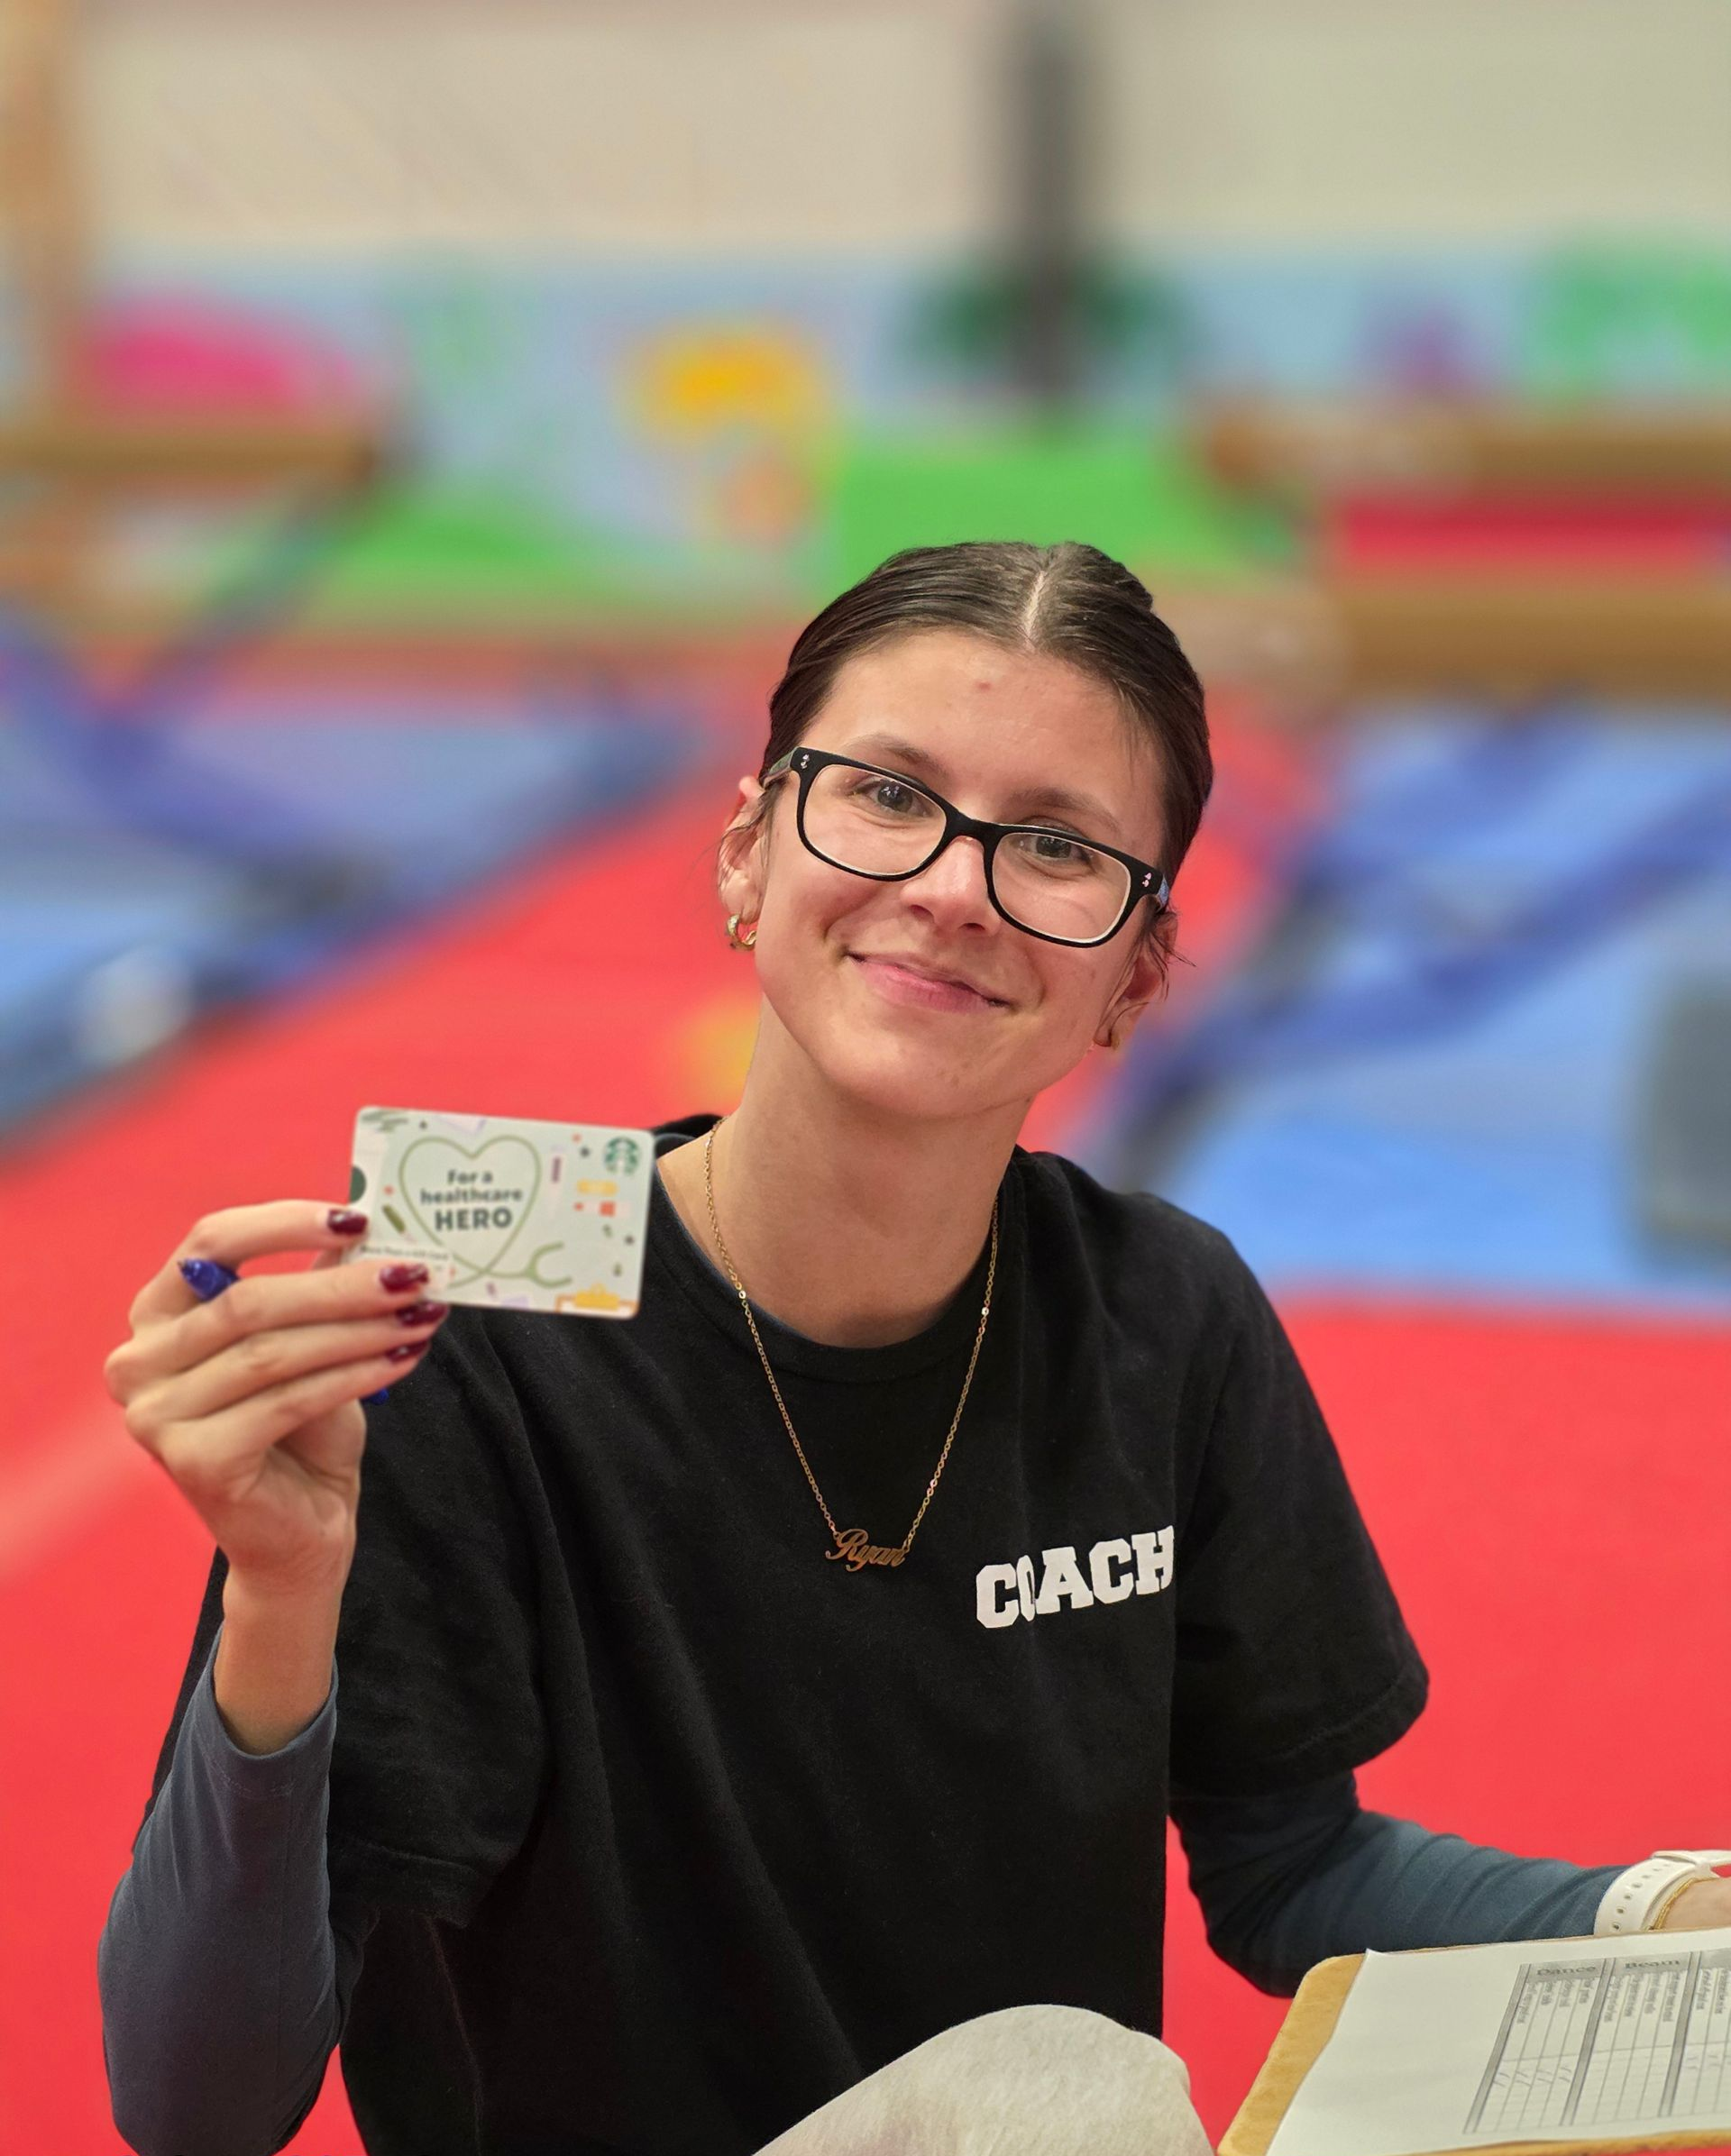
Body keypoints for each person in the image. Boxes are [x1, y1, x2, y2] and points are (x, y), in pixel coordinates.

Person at [97, 543, 1730, 2156]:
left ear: (1138, 972)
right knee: (1062, 2096)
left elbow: (1295, 1864)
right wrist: (283, 1597)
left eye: (1057, 845)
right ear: (748, 853)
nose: (953, 885)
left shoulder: (1164, 1317)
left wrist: (1664, 1916)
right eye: (884, 793)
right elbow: (197, 2108)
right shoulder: (476, 1340)